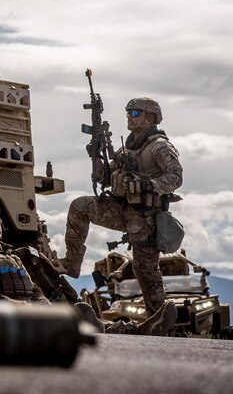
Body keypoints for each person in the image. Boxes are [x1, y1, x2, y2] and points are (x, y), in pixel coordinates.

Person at [0, 202, 177, 336]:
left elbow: (34, 288)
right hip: (5, 311)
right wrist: (10, 303)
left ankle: (141, 328)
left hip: (33, 308)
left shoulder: (14, 255)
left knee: (82, 316)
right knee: (71, 323)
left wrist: (42, 303)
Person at [59, 97, 183, 320]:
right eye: (128, 112)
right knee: (80, 206)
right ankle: (72, 263)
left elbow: (175, 176)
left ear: (150, 117)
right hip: (121, 208)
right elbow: (105, 178)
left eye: (135, 113)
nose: (129, 117)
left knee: (144, 269)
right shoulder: (129, 148)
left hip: (146, 216)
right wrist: (96, 156)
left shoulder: (159, 146)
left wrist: (147, 185)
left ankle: (160, 317)